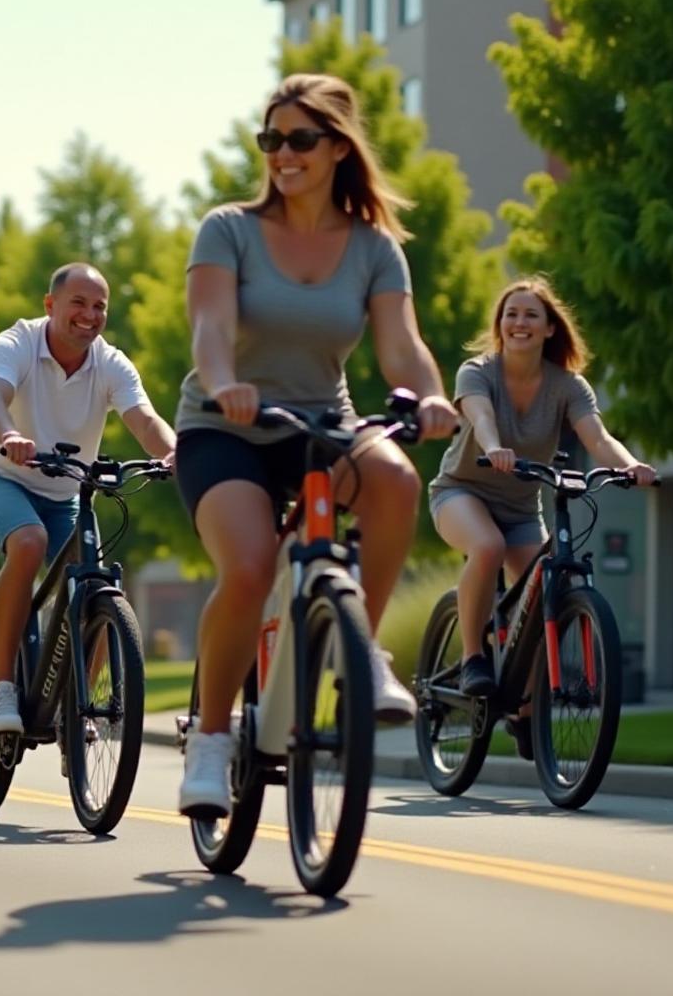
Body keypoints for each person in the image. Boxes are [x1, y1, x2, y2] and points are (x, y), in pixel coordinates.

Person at [175, 74, 458, 816]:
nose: (283, 153)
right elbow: (209, 327)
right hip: (225, 426)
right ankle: (211, 740)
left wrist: (430, 395)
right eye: (270, 139)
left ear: (337, 147)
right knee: (248, 569)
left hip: (322, 425)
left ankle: (362, 647)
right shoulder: (228, 229)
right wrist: (225, 382)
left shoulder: (373, 248)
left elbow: (402, 346)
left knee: (395, 480)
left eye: (300, 138)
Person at [428, 277, 655, 750]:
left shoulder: (567, 386)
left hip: (520, 506)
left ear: (550, 328)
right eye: (511, 314)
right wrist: (495, 447)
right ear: (500, 325)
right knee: (487, 546)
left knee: (543, 594)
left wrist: (630, 465)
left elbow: (597, 438)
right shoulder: (477, 372)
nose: (520, 323)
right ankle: (473, 657)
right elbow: (481, 418)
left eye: (531, 315)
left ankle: (527, 708)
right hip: (461, 493)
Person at [0, 262, 176, 735]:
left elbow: (143, 419)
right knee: (29, 542)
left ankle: (75, 706)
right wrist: (10, 434)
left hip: (65, 492)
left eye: (100, 306)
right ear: (50, 304)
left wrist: (173, 451)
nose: (89, 314)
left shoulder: (110, 363)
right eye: (78, 302)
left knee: (96, 586)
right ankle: (2, 687)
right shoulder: (16, 342)